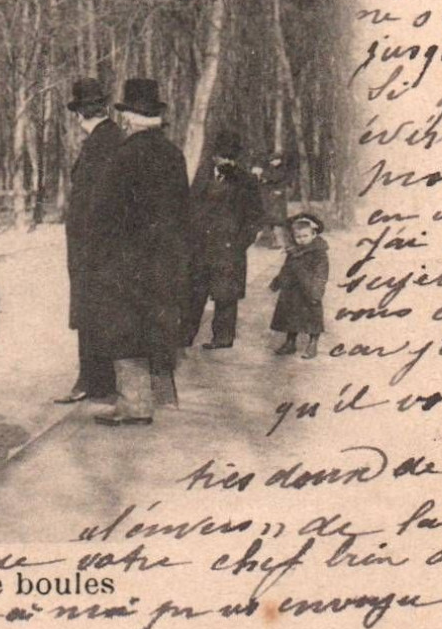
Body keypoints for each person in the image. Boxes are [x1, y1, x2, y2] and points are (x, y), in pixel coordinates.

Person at [84, 78, 191, 428]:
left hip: (128, 260)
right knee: (158, 321)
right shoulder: (174, 155)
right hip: (166, 257)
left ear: (129, 118)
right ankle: (165, 394)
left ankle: (134, 404)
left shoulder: (124, 156)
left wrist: (101, 254)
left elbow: (102, 211)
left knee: (125, 328)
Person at [56, 77, 121, 405]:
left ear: (82, 114)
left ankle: (96, 382)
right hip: (95, 246)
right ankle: (96, 379)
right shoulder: (109, 138)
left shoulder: (102, 143)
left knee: (94, 312)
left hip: (94, 248)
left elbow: (100, 200)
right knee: (95, 312)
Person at [183, 130, 263, 350]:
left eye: (232, 157)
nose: (227, 161)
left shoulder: (246, 181)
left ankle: (223, 338)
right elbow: (190, 207)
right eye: (223, 156)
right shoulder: (202, 176)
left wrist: (239, 244)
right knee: (194, 292)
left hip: (228, 249)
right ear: (214, 157)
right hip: (200, 246)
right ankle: (185, 335)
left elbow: (256, 217)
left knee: (226, 295)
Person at [271, 213, 330, 359]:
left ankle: (313, 343)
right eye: (298, 237)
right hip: (292, 288)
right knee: (290, 315)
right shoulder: (293, 251)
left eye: (305, 236)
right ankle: (290, 342)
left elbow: (322, 272)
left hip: (310, 288)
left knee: (312, 317)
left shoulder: (319, 252)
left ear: (314, 234)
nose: (302, 240)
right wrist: (278, 281)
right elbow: (286, 267)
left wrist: (317, 289)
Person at [254, 152, 292, 249]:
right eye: (271, 160)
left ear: (279, 160)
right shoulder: (271, 168)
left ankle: (285, 242)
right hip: (269, 197)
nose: (272, 162)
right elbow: (266, 180)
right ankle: (270, 241)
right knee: (270, 218)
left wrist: (262, 173)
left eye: (274, 160)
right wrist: (261, 177)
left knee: (279, 219)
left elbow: (275, 178)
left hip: (278, 197)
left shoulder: (283, 169)